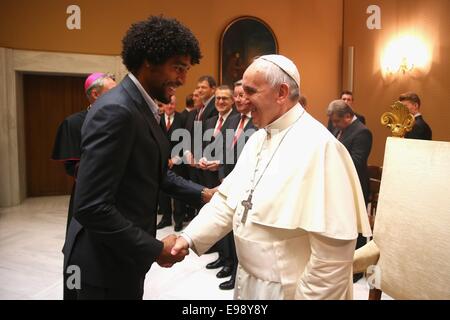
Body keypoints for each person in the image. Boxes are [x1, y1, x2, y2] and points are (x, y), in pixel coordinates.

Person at [172, 54, 371, 300]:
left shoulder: (321, 147)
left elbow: (332, 255)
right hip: (248, 282)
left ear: (281, 92)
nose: (241, 102)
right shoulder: (257, 138)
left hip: (289, 290)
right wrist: (189, 238)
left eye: (250, 92)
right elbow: (227, 202)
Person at [63, 16, 215, 300]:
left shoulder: (141, 106)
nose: (183, 79)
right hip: (100, 265)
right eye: (178, 67)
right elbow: (91, 206)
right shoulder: (118, 110)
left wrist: (205, 194)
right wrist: (155, 249)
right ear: (149, 60)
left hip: (122, 257)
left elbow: (153, 172)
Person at [52, 72, 116, 300]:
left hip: (115, 199)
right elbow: (72, 166)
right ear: (95, 94)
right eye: (112, 91)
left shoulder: (120, 119)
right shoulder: (73, 123)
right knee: (76, 252)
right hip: (85, 196)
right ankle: (72, 294)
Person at [327, 99, 373, 282]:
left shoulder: (362, 132)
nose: (334, 125)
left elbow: (356, 162)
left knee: (357, 226)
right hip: (339, 185)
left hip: (356, 186)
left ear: (348, 116)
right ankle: (343, 262)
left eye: (337, 121)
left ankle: (357, 269)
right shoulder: (340, 129)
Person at [157, 95, 189, 232]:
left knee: (177, 192)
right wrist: (164, 160)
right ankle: (166, 218)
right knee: (163, 192)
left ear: (175, 105)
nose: (170, 106)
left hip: (178, 162)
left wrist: (174, 159)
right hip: (162, 163)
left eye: (172, 104)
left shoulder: (183, 119)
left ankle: (179, 220)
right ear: (163, 105)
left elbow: (186, 142)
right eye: (167, 104)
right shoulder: (157, 119)